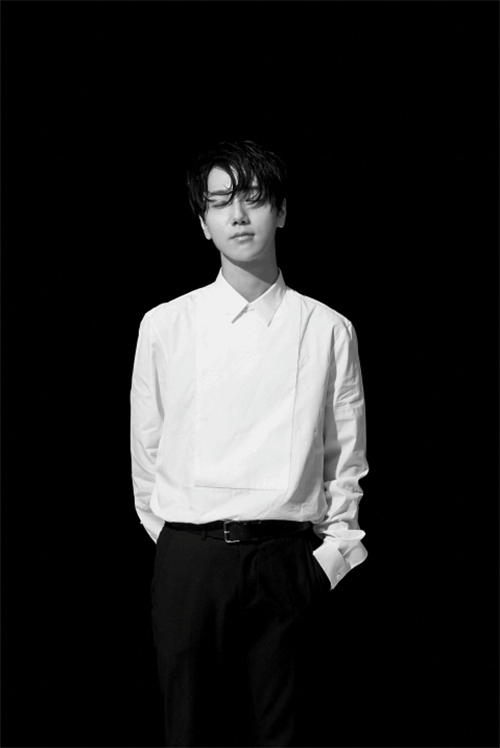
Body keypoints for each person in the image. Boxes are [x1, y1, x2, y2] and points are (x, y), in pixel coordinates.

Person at [130, 140, 369, 748]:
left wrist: (331, 559)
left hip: (285, 562)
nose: (238, 215)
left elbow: (345, 457)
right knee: (188, 735)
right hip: (191, 561)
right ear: (203, 222)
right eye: (220, 202)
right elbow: (146, 450)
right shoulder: (166, 325)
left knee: (287, 736)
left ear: (281, 212)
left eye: (255, 198)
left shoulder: (327, 328)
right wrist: (180, 548)